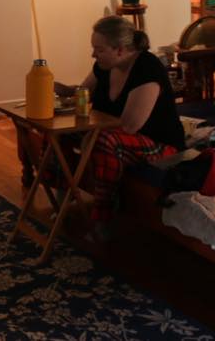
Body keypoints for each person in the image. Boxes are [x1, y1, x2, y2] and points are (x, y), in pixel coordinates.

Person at [55, 15, 185, 239]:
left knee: (104, 140)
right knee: (61, 133)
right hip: (112, 134)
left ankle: (102, 218)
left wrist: (91, 134)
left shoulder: (147, 68)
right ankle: (60, 201)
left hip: (159, 144)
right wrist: (63, 91)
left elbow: (130, 126)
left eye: (99, 49)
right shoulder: (104, 66)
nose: (93, 54)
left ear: (120, 50)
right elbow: (81, 95)